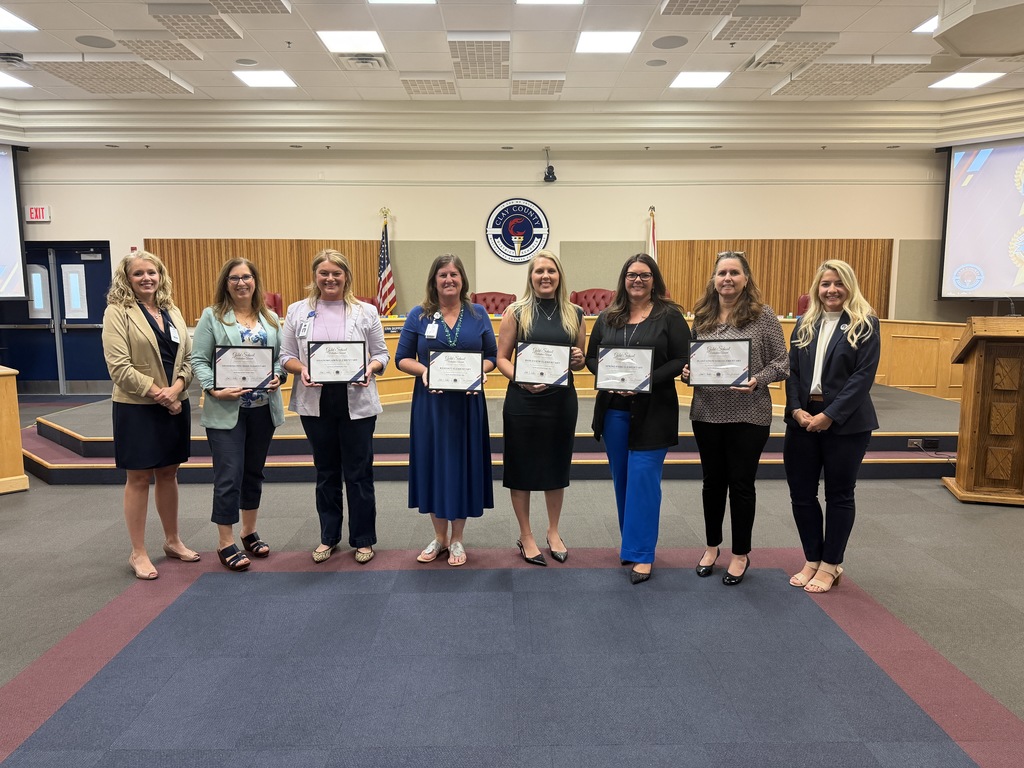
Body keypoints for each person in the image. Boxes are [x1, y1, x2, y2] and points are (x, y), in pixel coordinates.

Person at [683, 251, 789, 585]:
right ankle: (712, 546)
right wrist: (688, 372)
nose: (727, 278)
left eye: (734, 273)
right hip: (707, 413)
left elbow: (783, 362)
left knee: (741, 485)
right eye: (721, 273)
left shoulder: (763, 315)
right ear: (713, 280)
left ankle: (740, 553)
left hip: (749, 414)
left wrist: (758, 378)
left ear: (746, 278)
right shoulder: (701, 316)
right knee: (712, 484)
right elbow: (694, 365)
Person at [584, 254, 689, 584]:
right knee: (623, 480)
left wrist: (645, 382)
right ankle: (631, 545)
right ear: (623, 279)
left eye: (644, 275)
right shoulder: (608, 316)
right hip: (614, 412)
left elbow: (682, 358)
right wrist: (615, 380)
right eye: (631, 275)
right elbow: (591, 358)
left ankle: (643, 554)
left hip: (654, 410)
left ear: (654, 279)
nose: (637, 280)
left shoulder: (669, 315)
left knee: (644, 479)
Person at [280, 249, 389, 564]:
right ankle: (329, 537)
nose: (330, 279)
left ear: (346, 277)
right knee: (326, 472)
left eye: (336, 273)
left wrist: (370, 368)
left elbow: (382, 354)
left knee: (359, 473)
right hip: (316, 402)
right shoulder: (297, 311)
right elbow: (286, 355)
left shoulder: (366, 311)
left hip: (357, 400)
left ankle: (363, 539)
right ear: (315, 276)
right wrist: (302, 370)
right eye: (324, 273)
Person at [101, 250, 199, 580]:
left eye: (152, 272)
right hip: (137, 406)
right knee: (139, 477)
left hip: (175, 403)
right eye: (138, 273)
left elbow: (187, 356)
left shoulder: (171, 310)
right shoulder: (117, 312)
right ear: (126, 278)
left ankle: (172, 541)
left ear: (161, 275)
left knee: (169, 474)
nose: (147, 278)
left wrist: (177, 389)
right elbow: (119, 367)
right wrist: (160, 394)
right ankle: (138, 552)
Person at [784, 260, 880, 593]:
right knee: (801, 495)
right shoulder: (804, 324)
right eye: (825, 284)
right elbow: (793, 372)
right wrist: (796, 409)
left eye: (838, 283)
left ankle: (831, 564)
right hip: (802, 420)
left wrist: (830, 415)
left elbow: (862, 378)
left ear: (849, 286)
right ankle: (812, 558)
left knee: (839, 495)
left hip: (846, 423)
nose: (831, 290)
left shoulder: (864, 323)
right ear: (817, 288)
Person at [395, 254, 497, 567]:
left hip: (467, 405)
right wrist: (424, 371)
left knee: (462, 465)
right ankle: (439, 537)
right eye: (443, 275)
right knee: (434, 465)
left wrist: (479, 370)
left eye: (454, 274)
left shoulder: (478, 314)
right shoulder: (418, 315)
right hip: (431, 405)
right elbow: (402, 358)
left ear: (463, 279)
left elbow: (492, 356)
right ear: (434, 280)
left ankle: (457, 539)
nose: (449, 280)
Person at [191, 258, 284, 572]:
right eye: (234, 278)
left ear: (255, 281)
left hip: (262, 409)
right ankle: (225, 540)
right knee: (228, 476)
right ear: (225, 282)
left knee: (253, 473)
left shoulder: (270, 318)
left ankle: (248, 531)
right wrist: (214, 389)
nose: (241, 283)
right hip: (226, 410)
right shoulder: (212, 317)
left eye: (247, 277)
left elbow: (280, 360)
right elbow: (199, 360)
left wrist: (278, 376)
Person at [496, 251, 586, 565]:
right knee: (521, 467)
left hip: (561, 401)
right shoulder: (516, 311)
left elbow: (580, 357)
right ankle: (526, 534)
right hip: (523, 401)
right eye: (539, 272)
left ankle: (553, 530)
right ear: (530, 277)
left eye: (551, 271)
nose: (545, 276)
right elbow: (501, 359)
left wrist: (579, 359)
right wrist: (521, 379)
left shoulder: (575, 312)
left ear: (559, 276)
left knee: (556, 465)